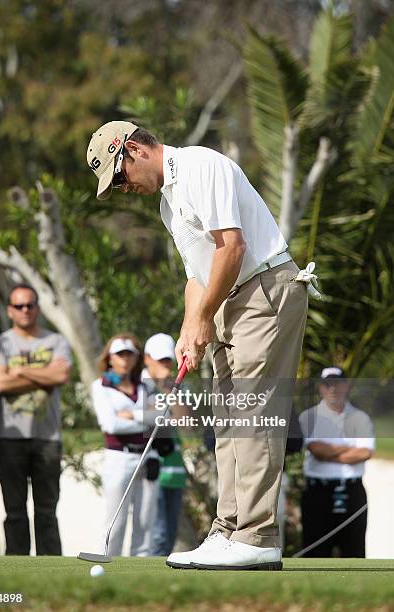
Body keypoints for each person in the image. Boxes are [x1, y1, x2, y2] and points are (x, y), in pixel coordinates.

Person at [86, 121, 313, 570]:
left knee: (252, 411)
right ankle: (228, 531)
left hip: (264, 289)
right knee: (227, 418)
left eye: (120, 174)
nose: (123, 187)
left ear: (133, 149)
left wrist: (205, 314)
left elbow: (231, 247)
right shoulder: (169, 205)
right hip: (229, 296)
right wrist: (191, 326)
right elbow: (198, 274)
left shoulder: (199, 166)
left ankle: (257, 535)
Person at [0, 284, 72, 555]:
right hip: (8, 437)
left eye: (30, 305)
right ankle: (17, 564)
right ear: (10, 310)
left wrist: (20, 369)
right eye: (19, 306)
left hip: (47, 437)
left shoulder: (56, 341)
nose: (25, 310)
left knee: (47, 510)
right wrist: (42, 374)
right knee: (14, 510)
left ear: (37, 308)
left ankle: (51, 568)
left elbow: (60, 377)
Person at [91, 333, 159, 557]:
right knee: (115, 521)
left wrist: (131, 415)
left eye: (129, 354)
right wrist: (145, 418)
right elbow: (111, 425)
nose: (125, 359)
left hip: (147, 457)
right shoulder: (100, 386)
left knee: (145, 521)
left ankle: (141, 571)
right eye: (120, 354)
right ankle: (104, 562)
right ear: (109, 358)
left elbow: (161, 420)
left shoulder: (145, 385)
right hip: (118, 458)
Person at [299, 366, 374, 558]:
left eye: (337, 384)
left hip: (352, 491)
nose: (333, 389)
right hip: (318, 493)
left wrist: (330, 451)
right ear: (321, 388)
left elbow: (365, 452)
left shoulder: (361, 418)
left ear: (346, 386)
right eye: (327, 385)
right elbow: (316, 450)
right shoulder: (309, 417)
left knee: (354, 551)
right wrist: (349, 446)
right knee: (315, 551)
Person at [143, 333, 187, 556]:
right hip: (149, 472)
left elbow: (187, 423)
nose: (165, 366)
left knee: (168, 538)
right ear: (146, 358)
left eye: (168, 361)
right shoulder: (138, 385)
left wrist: (170, 388)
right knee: (155, 537)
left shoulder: (177, 387)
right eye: (160, 361)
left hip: (175, 471)